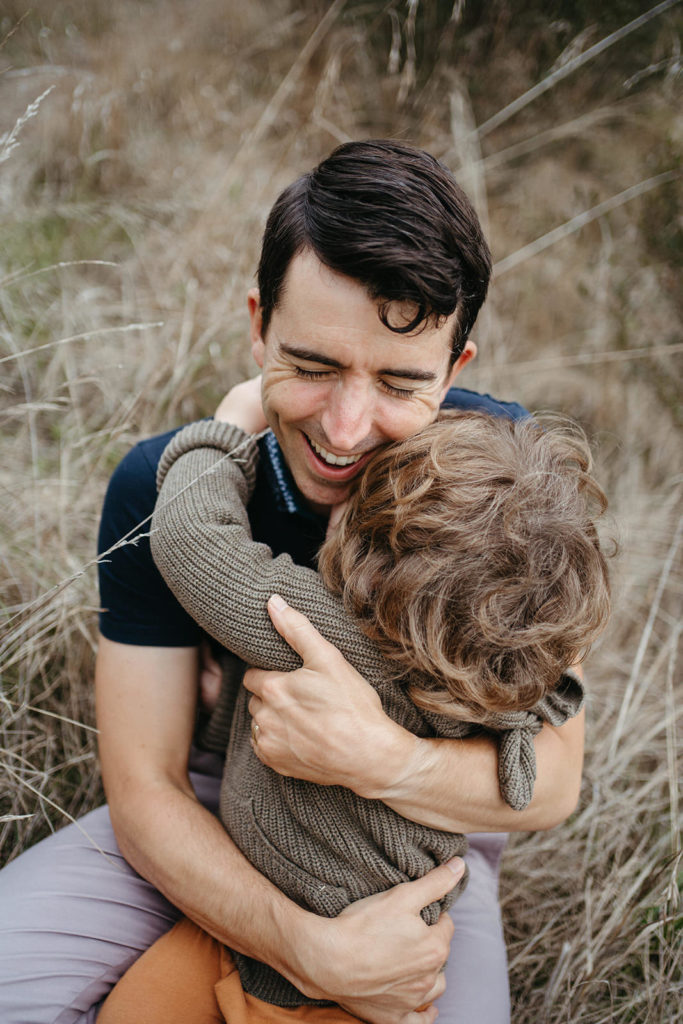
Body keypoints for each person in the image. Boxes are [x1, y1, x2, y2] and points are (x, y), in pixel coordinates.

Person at [0, 140, 586, 1024]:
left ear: (455, 370)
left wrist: (380, 758)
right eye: (312, 366)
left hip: (423, 842)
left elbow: (550, 782)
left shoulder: (503, 500)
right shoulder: (157, 483)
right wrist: (304, 948)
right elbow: (146, 788)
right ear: (257, 325)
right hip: (214, 794)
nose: (347, 430)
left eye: (398, 383)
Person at [97, 402, 609, 1024]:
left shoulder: (324, 630)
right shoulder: (496, 692)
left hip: (316, 971)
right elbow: (529, 781)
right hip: (382, 959)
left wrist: (224, 433)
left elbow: (192, 540)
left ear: (357, 554)